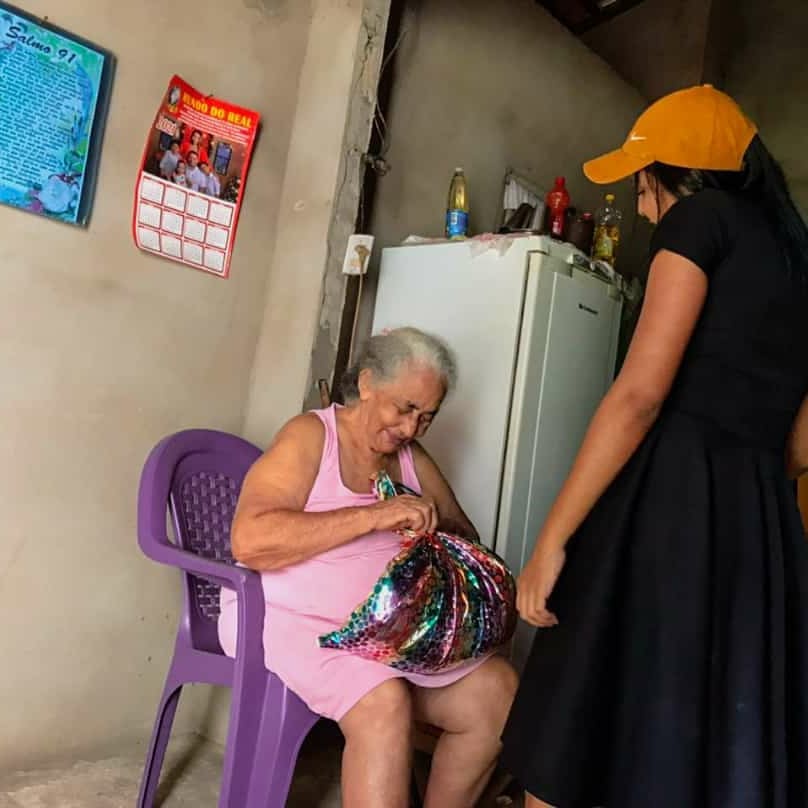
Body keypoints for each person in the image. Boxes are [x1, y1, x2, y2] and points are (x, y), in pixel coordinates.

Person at [501, 85, 808, 808]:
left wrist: (551, 539)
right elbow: (800, 442)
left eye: (644, 185)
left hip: (666, 504)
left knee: (573, 721)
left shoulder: (700, 222)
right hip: (761, 528)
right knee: (689, 746)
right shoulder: (799, 261)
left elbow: (639, 396)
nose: (642, 208)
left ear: (677, 175)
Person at [218, 327, 518, 808]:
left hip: (390, 633)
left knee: (499, 693)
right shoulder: (312, 436)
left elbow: (463, 533)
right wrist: (377, 516)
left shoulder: (409, 457)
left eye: (426, 417)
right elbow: (251, 540)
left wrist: (433, 537)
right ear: (366, 383)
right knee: (384, 704)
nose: (410, 428)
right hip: (290, 620)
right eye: (404, 409)